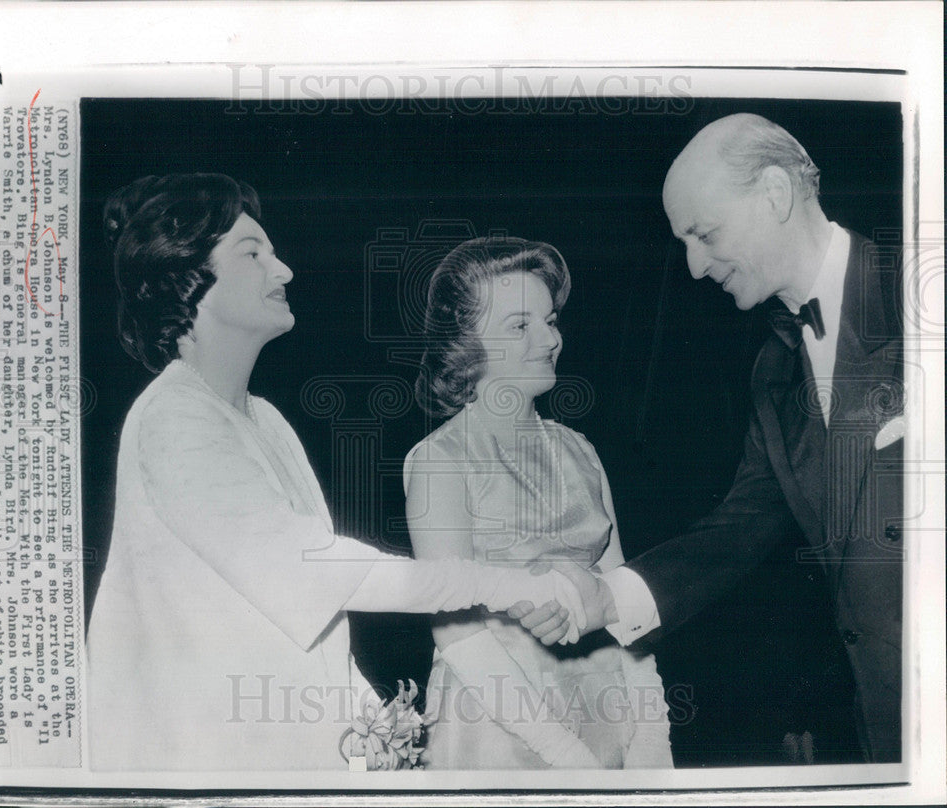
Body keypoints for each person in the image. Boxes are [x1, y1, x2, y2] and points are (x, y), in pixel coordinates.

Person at [85, 174, 594, 772]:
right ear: (186, 280)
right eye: (254, 254)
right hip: (189, 759)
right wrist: (507, 586)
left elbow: (309, 614)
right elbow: (324, 571)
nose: (284, 271)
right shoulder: (174, 420)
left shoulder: (265, 420)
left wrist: (371, 724)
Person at [517, 114, 904, 764]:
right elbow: (742, 527)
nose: (695, 268)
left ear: (776, 194)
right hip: (886, 727)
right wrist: (608, 597)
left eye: (705, 234)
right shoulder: (774, 368)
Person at [405, 237, 673, 769]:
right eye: (520, 325)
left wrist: (651, 736)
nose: (549, 338)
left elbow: (623, 601)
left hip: (605, 712)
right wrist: (568, 758)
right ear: (464, 341)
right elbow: (460, 636)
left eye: (550, 321)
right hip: (499, 731)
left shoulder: (581, 450)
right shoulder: (441, 460)